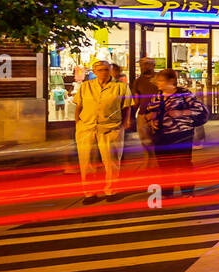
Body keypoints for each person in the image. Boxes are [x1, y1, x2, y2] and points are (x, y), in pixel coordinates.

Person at [74, 59, 133, 203]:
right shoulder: (85, 86)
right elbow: (78, 105)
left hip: (111, 127)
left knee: (111, 161)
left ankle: (111, 190)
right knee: (86, 161)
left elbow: (126, 106)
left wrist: (126, 122)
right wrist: (78, 122)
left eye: (106, 69)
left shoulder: (120, 86)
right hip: (87, 127)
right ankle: (89, 193)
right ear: (94, 72)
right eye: (100, 70)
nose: (103, 72)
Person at [145, 69, 209, 199]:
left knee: (183, 164)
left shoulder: (184, 94)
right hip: (161, 135)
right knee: (164, 165)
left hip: (182, 134)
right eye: (158, 80)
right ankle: (167, 192)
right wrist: (150, 118)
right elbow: (148, 112)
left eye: (161, 80)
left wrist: (181, 113)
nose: (158, 83)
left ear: (171, 81)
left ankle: (187, 191)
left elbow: (199, 109)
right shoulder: (157, 95)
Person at [131, 58, 160, 167]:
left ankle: (159, 164)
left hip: (158, 114)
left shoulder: (160, 78)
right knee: (145, 141)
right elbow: (136, 100)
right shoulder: (138, 81)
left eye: (147, 64)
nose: (145, 66)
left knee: (158, 140)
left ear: (154, 65)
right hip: (143, 114)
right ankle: (148, 163)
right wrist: (131, 116)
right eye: (142, 64)